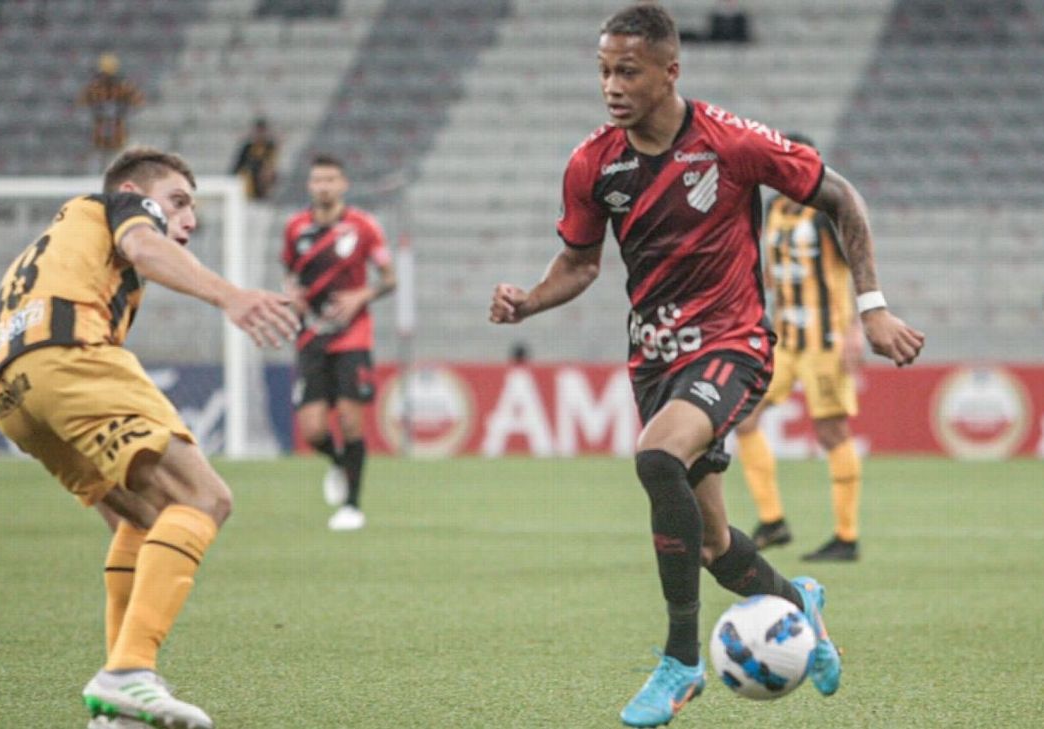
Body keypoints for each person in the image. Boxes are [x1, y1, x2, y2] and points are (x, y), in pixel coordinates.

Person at [488, 5, 924, 726]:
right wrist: (529, 301)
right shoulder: (593, 162)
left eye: (627, 70)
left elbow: (841, 195)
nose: (611, 86)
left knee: (656, 456)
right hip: (655, 359)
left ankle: (680, 660)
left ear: (669, 71)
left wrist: (873, 305)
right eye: (603, 70)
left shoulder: (731, 143)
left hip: (734, 340)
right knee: (716, 543)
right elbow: (578, 262)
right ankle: (798, 605)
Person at [0, 146, 298, 728]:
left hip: (8, 388)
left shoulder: (62, 239)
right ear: (136, 192)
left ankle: (116, 704)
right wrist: (233, 296)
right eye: (178, 201)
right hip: (66, 354)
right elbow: (146, 247)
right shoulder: (121, 206)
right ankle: (128, 673)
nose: (190, 219)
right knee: (203, 499)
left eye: (193, 207)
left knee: (143, 519)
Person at [733, 132, 866, 562]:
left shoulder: (826, 212)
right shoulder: (772, 209)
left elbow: (856, 264)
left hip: (825, 341)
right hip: (784, 341)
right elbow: (770, 271)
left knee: (831, 432)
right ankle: (773, 520)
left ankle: (846, 537)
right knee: (744, 415)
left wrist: (857, 329)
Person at [282, 154, 396, 531]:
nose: (324, 186)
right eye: (318, 180)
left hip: (352, 335)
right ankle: (337, 463)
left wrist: (361, 296)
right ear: (309, 185)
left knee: (350, 421)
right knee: (313, 430)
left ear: (343, 184)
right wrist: (291, 295)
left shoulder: (363, 226)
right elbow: (290, 274)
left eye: (331, 179)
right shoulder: (295, 228)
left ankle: (352, 506)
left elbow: (389, 277)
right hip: (311, 335)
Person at [77, 53, 144, 160]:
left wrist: (124, 110)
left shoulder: (124, 87)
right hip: (98, 130)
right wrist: (95, 111)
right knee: (98, 155)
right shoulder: (94, 88)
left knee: (118, 155)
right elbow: (82, 105)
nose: (107, 78)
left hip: (119, 129)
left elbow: (138, 103)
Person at [230, 117, 279, 201]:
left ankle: (263, 196)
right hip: (249, 179)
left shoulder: (269, 147)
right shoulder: (247, 147)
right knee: (243, 176)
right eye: (258, 131)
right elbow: (237, 166)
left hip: (263, 179)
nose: (259, 134)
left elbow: (272, 164)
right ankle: (247, 197)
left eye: (262, 131)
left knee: (267, 172)